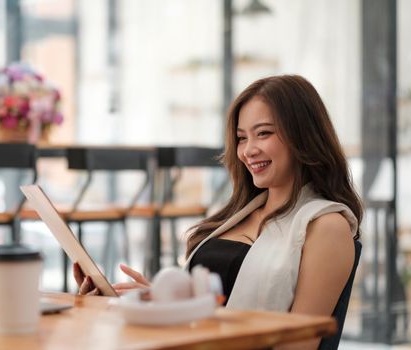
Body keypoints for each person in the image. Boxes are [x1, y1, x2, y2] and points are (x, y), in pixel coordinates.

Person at [74, 74, 363, 349]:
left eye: (263, 133)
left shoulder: (326, 226)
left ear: (303, 137)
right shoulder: (238, 214)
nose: (248, 150)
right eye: (241, 138)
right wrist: (156, 302)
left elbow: (299, 344)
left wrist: (187, 321)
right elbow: (209, 309)